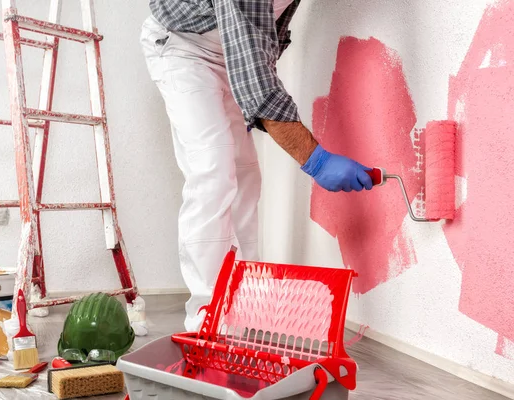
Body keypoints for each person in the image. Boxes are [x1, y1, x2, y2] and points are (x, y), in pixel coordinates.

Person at [140, 0, 373, 331]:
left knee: (246, 174)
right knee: (213, 169)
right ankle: (207, 316)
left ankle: (241, 303)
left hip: (229, 56)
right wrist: (316, 160)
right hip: (182, 47)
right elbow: (256, 81)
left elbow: (261, 43)